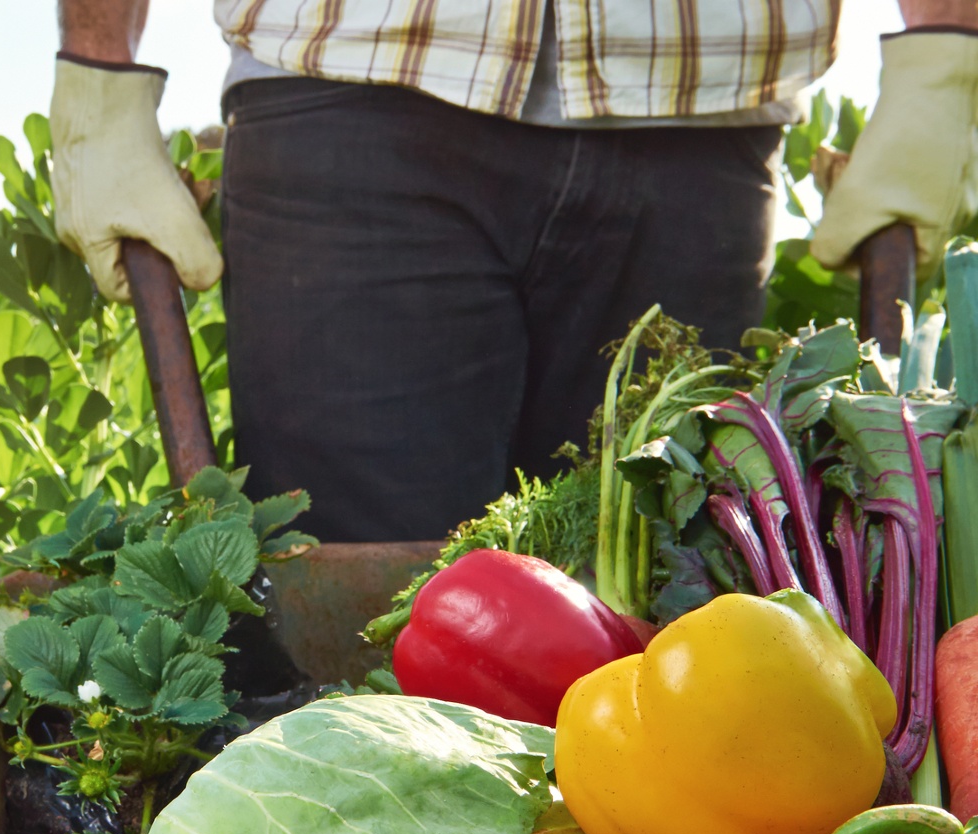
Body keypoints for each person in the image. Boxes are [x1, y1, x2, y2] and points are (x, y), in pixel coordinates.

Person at [49, 0, 978, 543]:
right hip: (353, 92)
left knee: (666, 620)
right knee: (353, 660)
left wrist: (945, 49)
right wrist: (97, 73)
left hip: (699, 112)